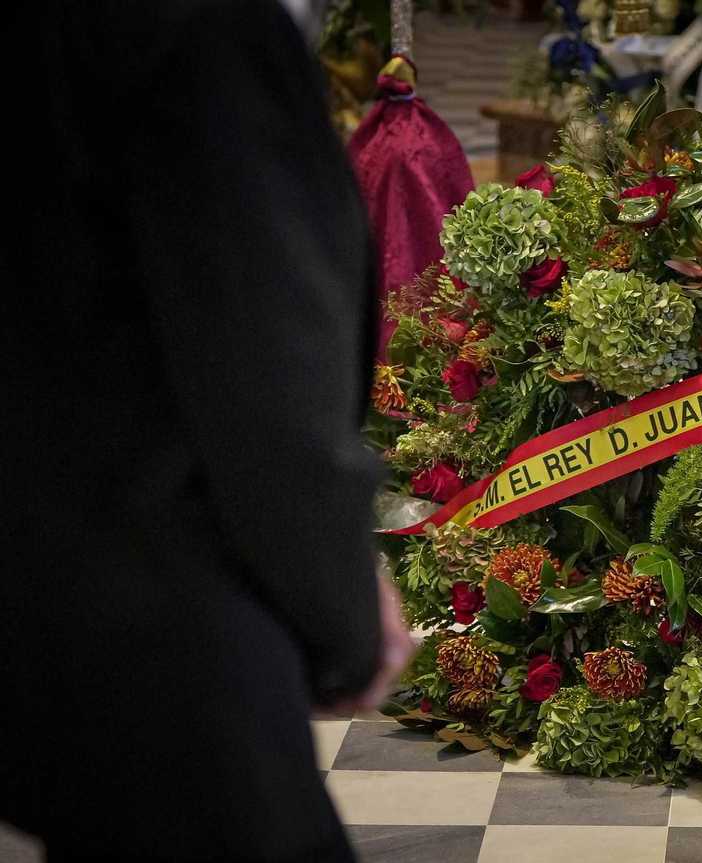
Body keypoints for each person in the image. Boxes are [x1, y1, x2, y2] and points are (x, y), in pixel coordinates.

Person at [1, 1, 412, 860]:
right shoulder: (199, 22)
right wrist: (343, 615)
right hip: (178, 622)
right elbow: (269, 364)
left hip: (51, 593)